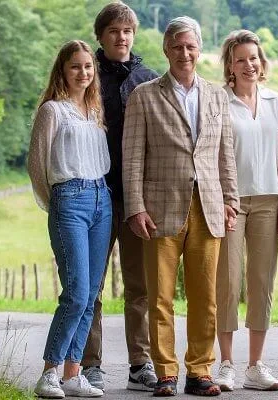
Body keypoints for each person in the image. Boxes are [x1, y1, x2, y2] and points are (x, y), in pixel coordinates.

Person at [122, 16, 239, 397]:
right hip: (159, 210)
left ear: (199, 49)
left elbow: (225, 155)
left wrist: (231, 200)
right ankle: (166, 372)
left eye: (190, 46)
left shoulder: (217, 95)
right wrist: (136, 206)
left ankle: (200, 371)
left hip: (209, 206)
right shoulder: (144, 95)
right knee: (160, 297)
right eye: (177, 46)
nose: (184, 53)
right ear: (166, 49)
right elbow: (132, 158)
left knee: (207, 295)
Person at [80, 2, 159, 392]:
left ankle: (139, 363)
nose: (121, 37)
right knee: (91, 285)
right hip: (94, 194)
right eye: (114, 30)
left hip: (137, 200)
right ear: (101, 36)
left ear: (134, 35)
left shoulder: (149, 79)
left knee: (139, 285)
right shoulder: (85, 76)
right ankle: (90, 364)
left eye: (127, 30)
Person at [28, 40, 111, 398]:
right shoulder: (53, 111)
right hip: (70, 200)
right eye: (75, 66)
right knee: (76, 293)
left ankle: (74, 374)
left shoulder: (94, 110)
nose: (83, 73)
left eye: (88, 66)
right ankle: (49, 372)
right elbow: (36, 165)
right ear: (62, 70)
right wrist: (56, 204)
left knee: (91, 294)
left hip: (102, 200)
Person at [213, 29, 278, 392]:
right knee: (228, 282)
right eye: (240, 59)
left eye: (254, 58)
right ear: (230, 64)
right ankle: (226, 364)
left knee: (261, 282)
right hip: (230, 202)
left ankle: (255, 365)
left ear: (262, 62)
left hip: (269, 201)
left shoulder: (276, 102)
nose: (249, 65)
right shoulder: (219, 101)